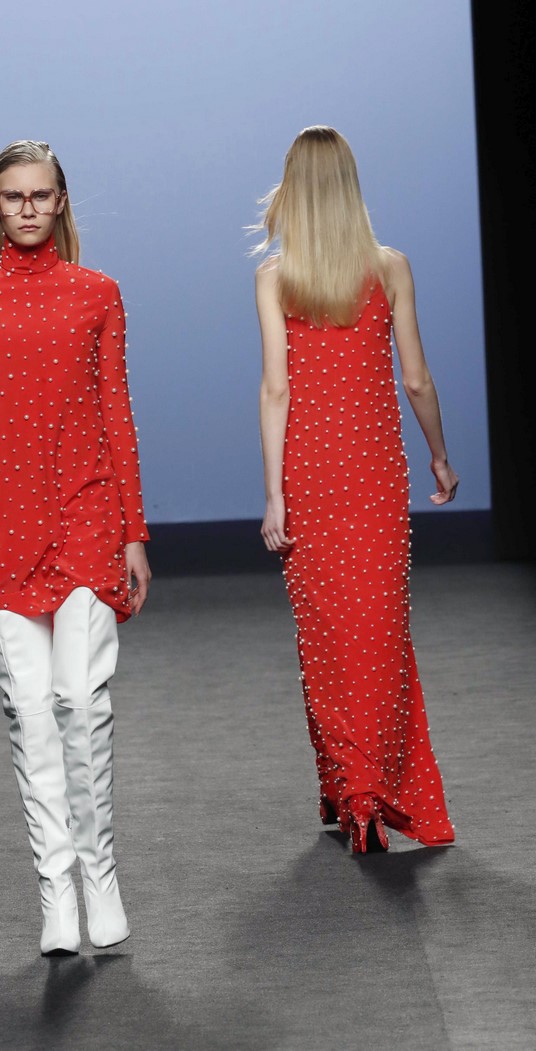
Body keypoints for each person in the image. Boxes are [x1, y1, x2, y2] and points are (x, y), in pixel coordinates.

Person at [0, 140, 151, 952]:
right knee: (29, 712)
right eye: (13, 195)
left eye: (40, 195)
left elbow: (116, 411)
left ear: (60, 202)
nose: (27, 208)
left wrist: (134, 529)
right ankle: (57, 890)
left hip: (85, 514)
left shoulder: (97, 294)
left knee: (81, 702)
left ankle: (100, 874)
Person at [253, 125, 457, 854]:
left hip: (310, 476)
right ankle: (368, 794)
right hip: (373, 475)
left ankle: (353, 792)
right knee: (378, 631)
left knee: (329, 637)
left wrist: (274, 494)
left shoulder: (277, 278)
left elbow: (276, 389)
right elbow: (416, 379)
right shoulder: (389, 268)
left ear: (293, 189)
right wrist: (440, 457)